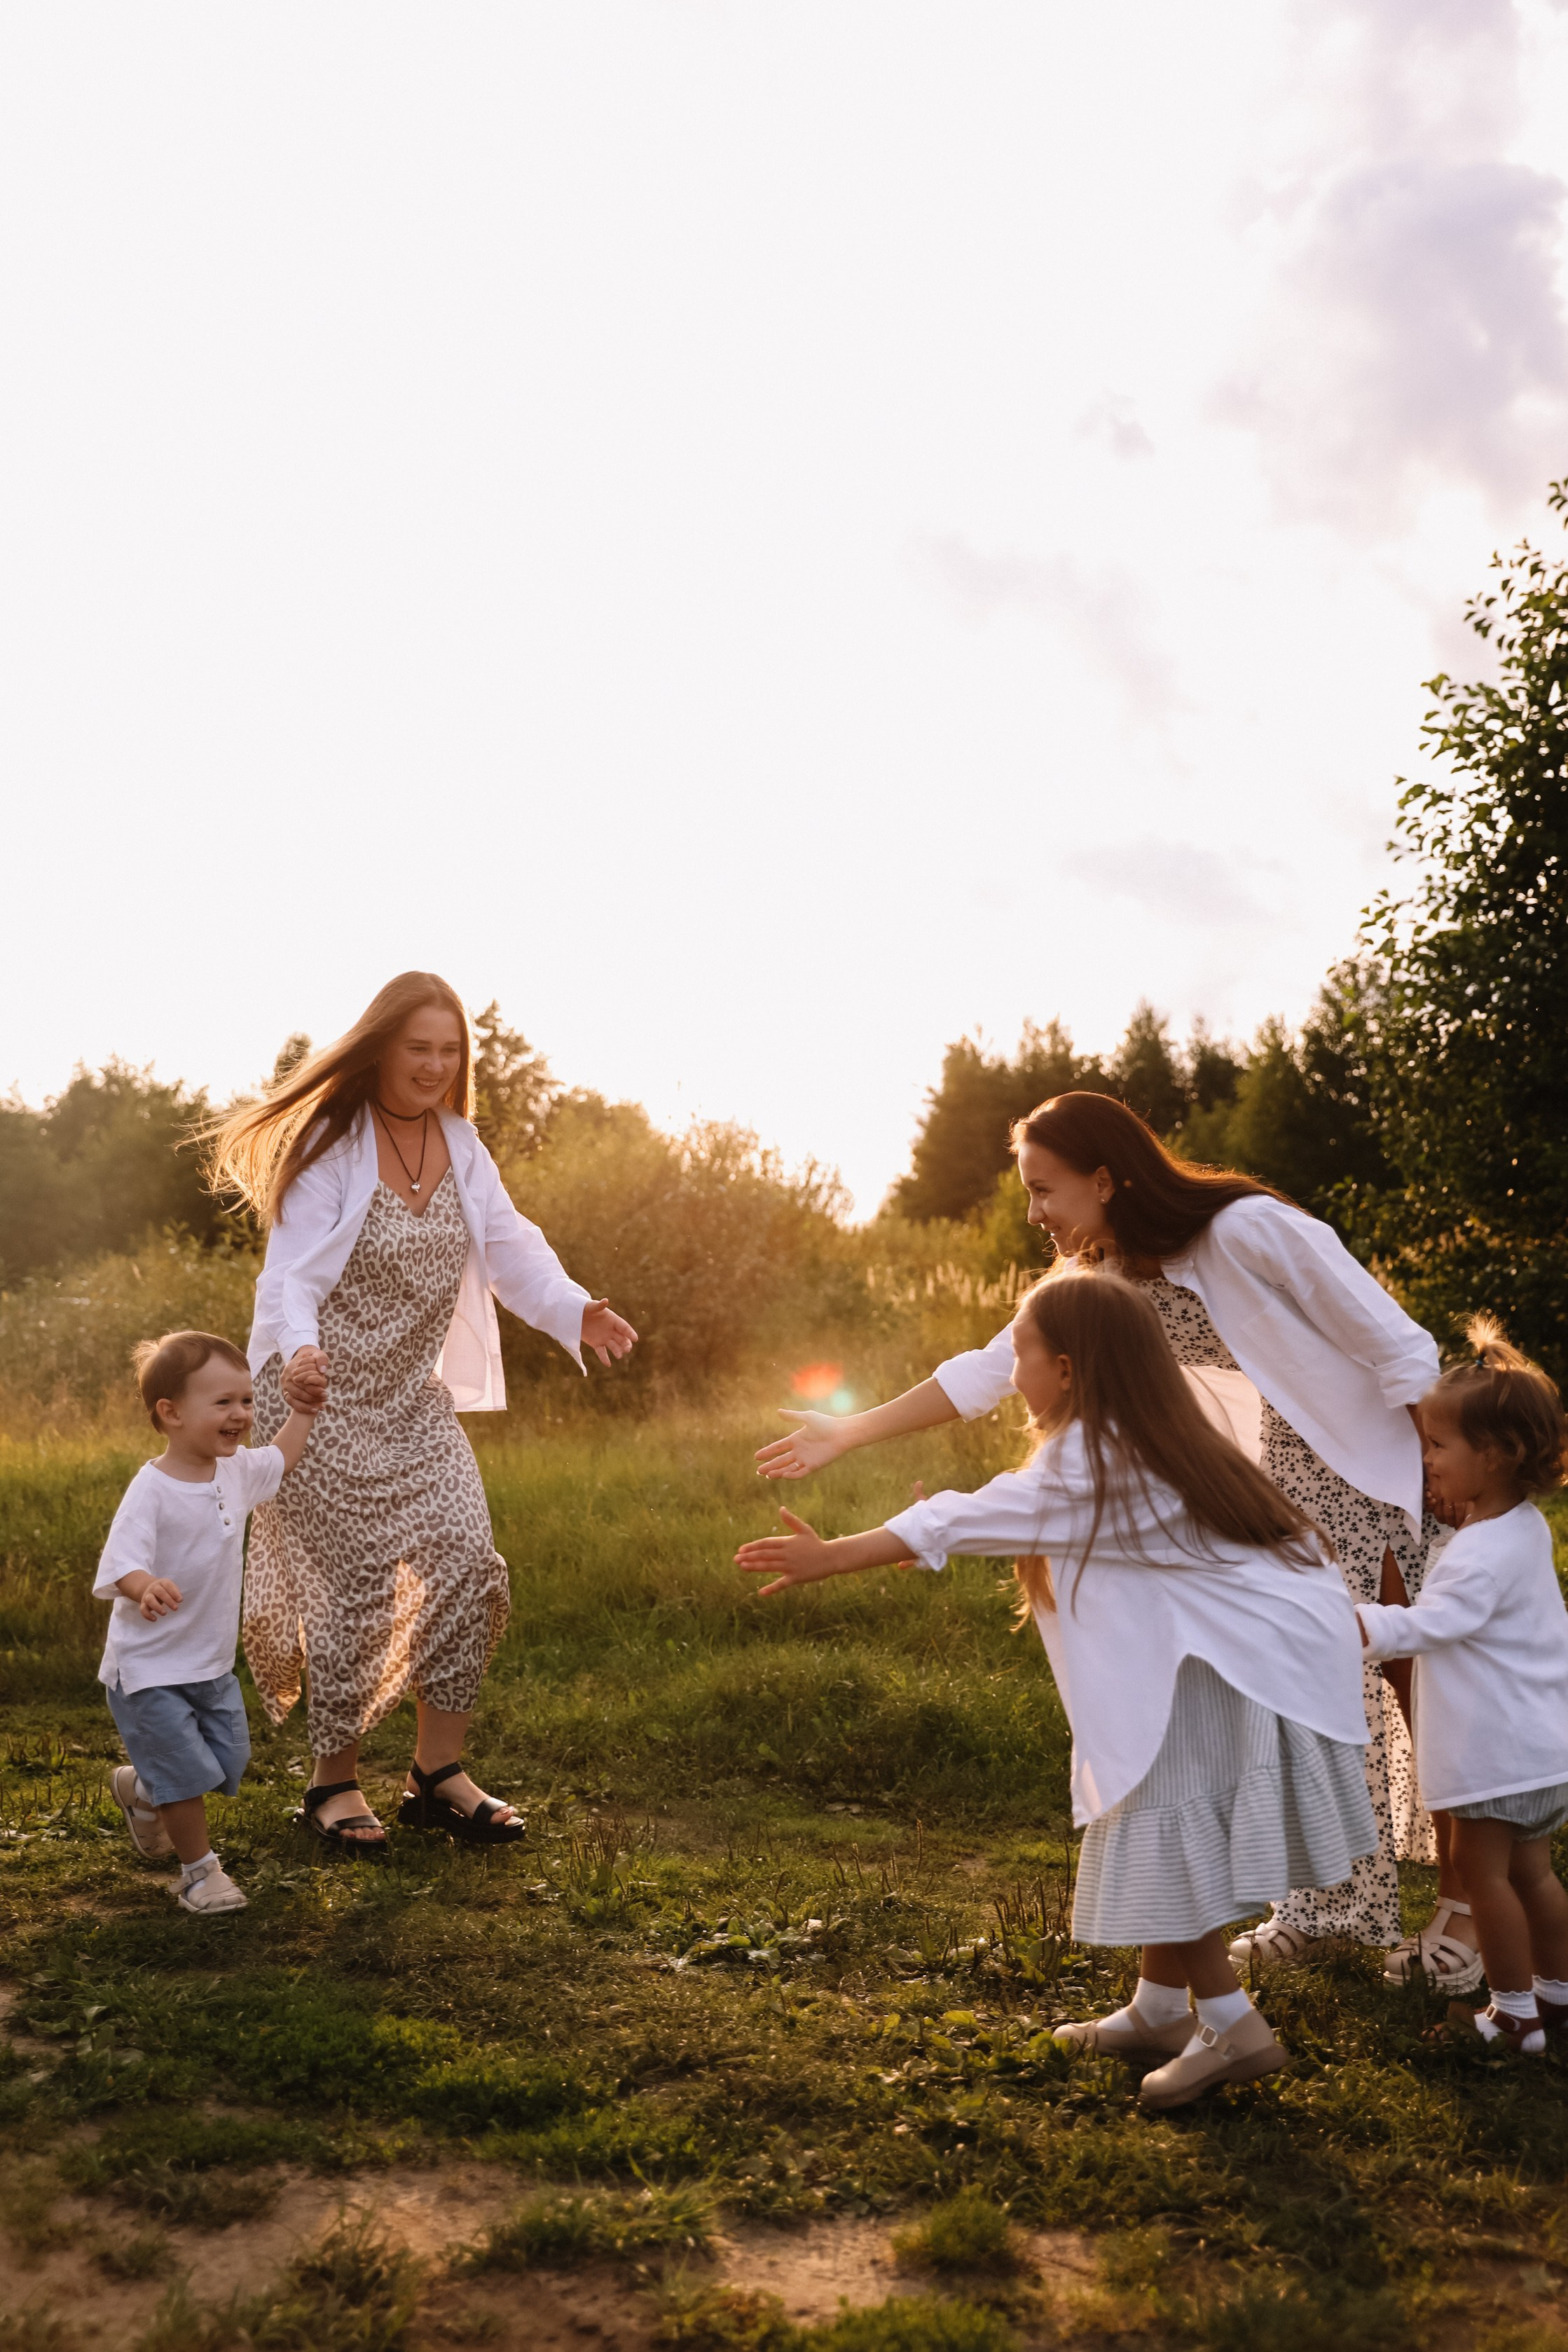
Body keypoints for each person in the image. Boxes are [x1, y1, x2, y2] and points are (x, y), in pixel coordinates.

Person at [757, 1092, 1450, 1976]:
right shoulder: (1103, 1275)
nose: (1037, 1213)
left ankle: (1463, 1920)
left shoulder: (1244, 1229)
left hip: (1369, 1459)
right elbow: (989, 1369)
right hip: (1273, 1471)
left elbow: (1393, 1340)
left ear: (1106, 1177)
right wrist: (851, 1430)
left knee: (1409, 1689)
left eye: (1046, 1191)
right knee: (1314, 1680)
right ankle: (1330, 1917)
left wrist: (1440, 1467)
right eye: (1028, 1196)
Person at [738, 1270, 1374, 2107]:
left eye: (1024, 1355)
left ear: (1069, 1369)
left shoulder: (1097, 1462)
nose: (1014, 1373)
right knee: (1151, 1814)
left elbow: (963, 1518)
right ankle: (1157, 2010)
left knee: (1160, 1828)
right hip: (1241, 1655)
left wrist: (832, 1556)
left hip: (1224, 1665)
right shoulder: (1145, 1433)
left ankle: (1231, 2024)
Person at [209, 972, 637, 1858]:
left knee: (466, 1559)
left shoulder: (461, 1143)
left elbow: (514, 1247)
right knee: (357, 1588)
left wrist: (575, 1308)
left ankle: (437, 1776)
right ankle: (332, 1782)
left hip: (410, 1401)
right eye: (420, 1050)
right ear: (381, 1049)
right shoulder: (332, 1143)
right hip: (316, 1402)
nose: (436, 1067)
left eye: (450, 1052)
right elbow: (289, 1274)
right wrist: (298, 1357)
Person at [1358, 1321, 1568, 2054]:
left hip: (1492, 1758)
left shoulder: (1480, 1552)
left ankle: (1512, 2015)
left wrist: (1363, 1624)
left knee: (1487, 1883)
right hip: (1538, 1752)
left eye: (1438, 1446)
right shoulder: (1523, 1529)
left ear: (1497, 1455)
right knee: (1535, 1876)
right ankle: (1555, 1995)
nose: (1426, 1459)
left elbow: (1436, 1624)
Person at [97, 1330, 320, 1913]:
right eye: (223, 1402)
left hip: (210, 1659)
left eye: (245, 1401)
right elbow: (122, 1562)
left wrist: (300, 1411)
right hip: (148, 1665)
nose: (240, 1414)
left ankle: (145, 1787)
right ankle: (200, 1873)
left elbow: (281, 1457)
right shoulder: (152, 1488)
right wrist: (144, 1586)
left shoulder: (236, 1471)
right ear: (170, 1413)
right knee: (188, 1778)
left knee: (225, 1762)